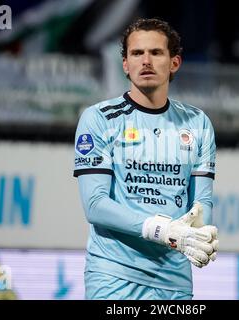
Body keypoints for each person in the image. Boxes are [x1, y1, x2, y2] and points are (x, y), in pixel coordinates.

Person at [73, 18, 219, 300]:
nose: (146, 61)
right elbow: (95, 205)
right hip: (114, 276)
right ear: (125, 64)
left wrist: (201, 237)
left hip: (174, 282)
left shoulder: (198, 123)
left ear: (174, 63)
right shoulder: (98, 119)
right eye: (137, 53)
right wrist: (163, 229)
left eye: (156, 52)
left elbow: (202, 204)